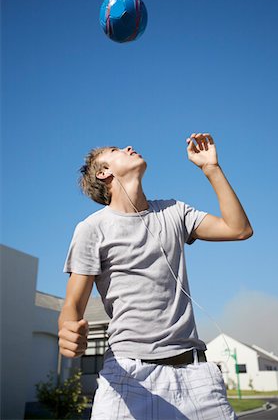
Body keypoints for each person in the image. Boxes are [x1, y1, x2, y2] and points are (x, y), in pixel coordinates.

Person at [58, 132, 253, 420]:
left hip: (195, 375)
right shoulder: (92, 229)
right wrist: (67, 331)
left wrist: (211, 168)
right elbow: (73, 305)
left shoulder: (174, 211)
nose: (128, 146)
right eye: (115, 149)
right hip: (130, 376)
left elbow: (238, 229)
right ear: (103, 173)